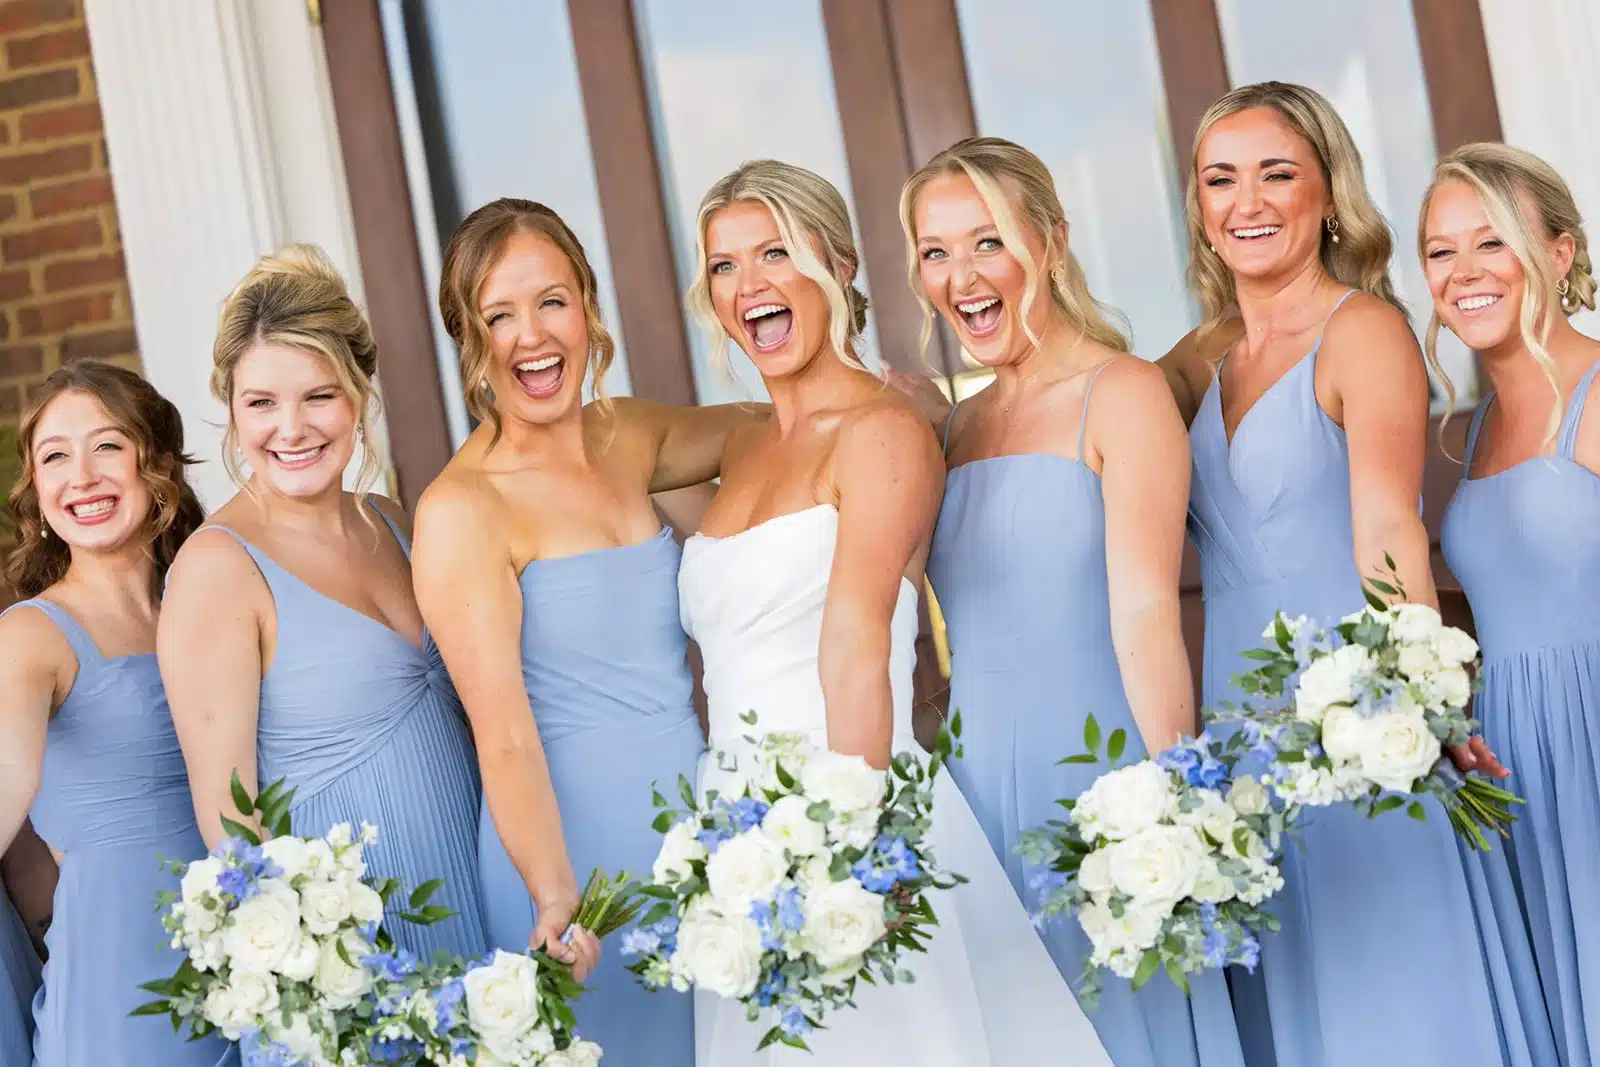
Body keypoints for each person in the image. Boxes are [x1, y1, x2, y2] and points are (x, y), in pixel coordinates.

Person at [678, 158, 1112, 1066]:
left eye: (775, 253)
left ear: (838, 265)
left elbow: (856, 639)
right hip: (738, 819)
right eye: (724, 266)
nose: (748, 283)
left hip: (849, 798)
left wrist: (851, 850)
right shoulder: (737, 444)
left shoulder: (884, 431)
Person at [1159, 81, 1552, 1067]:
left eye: (1275, 174)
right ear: (1198, 209)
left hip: (1361, 721)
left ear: (1327, 194)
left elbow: (1388, 527)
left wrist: (1420, 706)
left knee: (1397, 1003)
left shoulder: (1363, 331)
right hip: (1241, 743)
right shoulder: (1197, 358)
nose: (1246, 201)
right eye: (1220, 179)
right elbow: (1072, 402)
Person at [906, 135, 1244, 1067]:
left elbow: (1146, 614)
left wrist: (1179, 800)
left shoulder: (1122, 392)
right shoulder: (953, 425)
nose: (959, 274)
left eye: (987, 241)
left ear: (1048, 242)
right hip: (972, 799)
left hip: (1099, 784)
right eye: (935, 251)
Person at [413, 198, 765, 1062]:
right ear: (468, 335)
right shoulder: (464, 507)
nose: (533, 336)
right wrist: (553, 892)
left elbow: (780, 425)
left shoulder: (628, 435)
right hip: (568, 854)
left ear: (588, 307)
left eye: (552, 301)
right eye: (500, 314)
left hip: (694, 830)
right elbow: (501, 731)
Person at [160, 246, 488, 965]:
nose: (292, 427)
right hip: (354, 958)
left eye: (318, 395)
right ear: (231, 410)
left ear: (358, 389)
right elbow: (229, 823)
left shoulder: (394, 522)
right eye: (261, 403)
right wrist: (322, 983)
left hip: (476, 908)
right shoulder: (216, 569)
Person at [0, 361, 234, 1066]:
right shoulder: (30, 636)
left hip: (251, 956)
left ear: (155, 464)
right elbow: (9, 773)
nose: (83, 476)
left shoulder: (211, 601)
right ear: (37, 491)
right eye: (55, 456)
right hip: (120, 984)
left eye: (107, 446)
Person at [1428, 142, 1600, 1067]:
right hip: (1510, 751)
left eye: (1492, 242)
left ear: (1561, 254)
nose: (1464, 273)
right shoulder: (1473, 425)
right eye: (1440, 251)